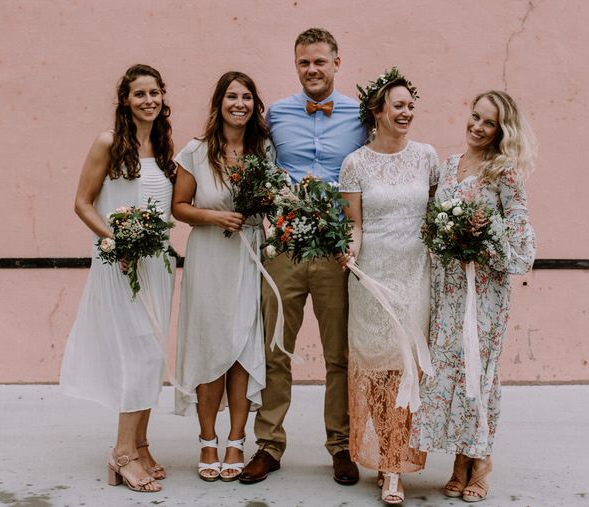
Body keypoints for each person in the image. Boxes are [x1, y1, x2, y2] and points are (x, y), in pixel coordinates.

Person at [239, 28, 365, 486]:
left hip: (336, 251)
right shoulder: (277, 113)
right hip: (285, 249)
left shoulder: (361, 113)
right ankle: (269, 446)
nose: (312, 70)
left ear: (337, 62)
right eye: (304, 63)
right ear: (296, 66)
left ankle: (342, 446)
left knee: (339, 355)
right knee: (276, 350)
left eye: (320, 62)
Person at [411, 90, 536, 503]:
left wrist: (482, 240)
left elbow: (520, 243)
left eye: (489, 123)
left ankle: (479, 461)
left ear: (501, 131)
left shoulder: (505, 174)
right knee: (447, 369)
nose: (477, 128)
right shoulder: (448, 167)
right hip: (447, 290)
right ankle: (458, 461)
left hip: (484, 292)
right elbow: (431, 226)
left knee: (478, 371)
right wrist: (446, 237)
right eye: (475, 117)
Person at [60, 64, 177, 493]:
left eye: (154, 93)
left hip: (157, 268)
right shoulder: (108, 143)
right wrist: (117, 240)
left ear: (163, 97)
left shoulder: (164, 148)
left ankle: (141, 444)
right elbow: (82, 203)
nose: (148, 100)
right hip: (120, 265)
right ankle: (122, 453)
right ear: (125, 101)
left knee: (152, 355)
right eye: (138, 94)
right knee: (139, 355)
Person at [337, 69, 438, 505]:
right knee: (377, 369)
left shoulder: (428, 157)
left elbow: (435, 217)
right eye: (398, 105)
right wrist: (349, 254)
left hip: (415, 274)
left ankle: (395, 465)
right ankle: (386, 457)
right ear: (377, 112)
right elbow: (355, 225)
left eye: (410, 106)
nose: (407, 112)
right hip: (372, 277)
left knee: (405, 366)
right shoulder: (355, 163)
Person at [172, 71, 271, 483]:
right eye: (232, 96)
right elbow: (179, 206)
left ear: (254, 105)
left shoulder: (263, 150)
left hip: (248, 253)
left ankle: (236, 440)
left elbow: (275, 199)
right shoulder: (196, 151)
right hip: (209, 254)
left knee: (243, 345)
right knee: (210, 342)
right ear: (219, 102)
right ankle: (207, 439)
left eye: (247, 97)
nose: (240, 104)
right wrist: (214, 216)